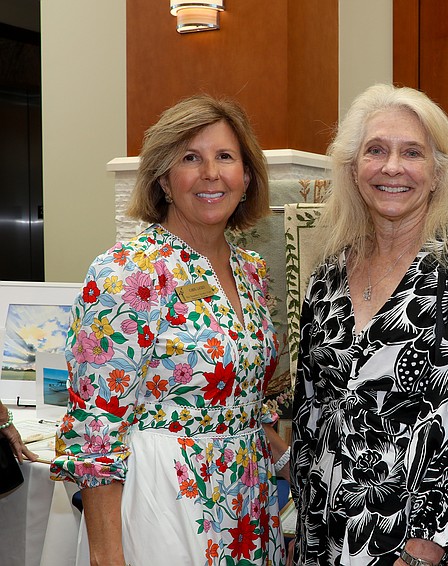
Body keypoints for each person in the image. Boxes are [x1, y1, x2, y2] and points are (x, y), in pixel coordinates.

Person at [52, 94, 289, 566]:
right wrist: (106, 554)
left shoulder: (251, 270)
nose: (210, 173)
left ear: (246, 176)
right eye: (189, 158)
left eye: (225, 156)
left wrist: (285, 458)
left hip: (246, 497)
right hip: (161, 495)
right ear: (163, 179)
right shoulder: (129, 271)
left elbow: (244, 387)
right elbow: (97, 424)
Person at [290, 83, 448, 566]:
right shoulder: (330, 267)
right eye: (376, 151)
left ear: (437, 173)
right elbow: (310, 407)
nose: (393, 167)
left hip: (406, 537)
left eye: (412, 152)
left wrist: (425, 548)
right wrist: (302, 529)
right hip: (324, 528)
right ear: (353, 170)